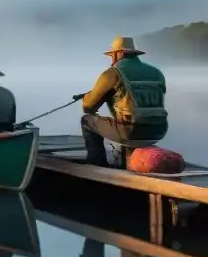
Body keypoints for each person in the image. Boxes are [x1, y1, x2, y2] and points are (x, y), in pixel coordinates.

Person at [72, 36, 168, 167]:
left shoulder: (112, 73)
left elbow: (88, 107)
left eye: (112, 55)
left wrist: (89, 97)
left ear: (119, 53)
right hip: (159, 130)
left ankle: (97, 165)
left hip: (130, 131)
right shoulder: (156, 72)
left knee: (87, 121)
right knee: (126, 121)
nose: (111, 59)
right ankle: (127, 161)